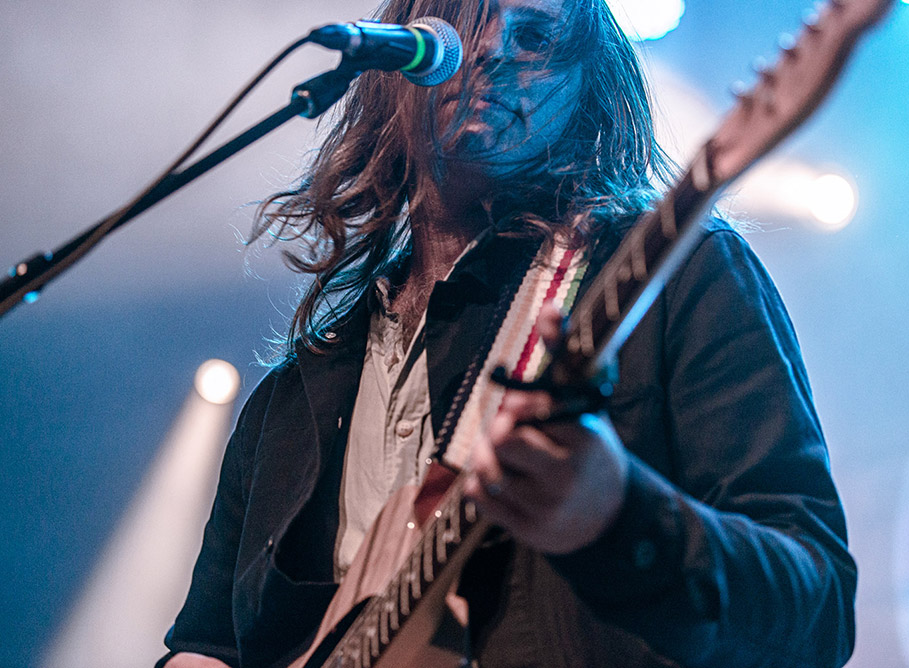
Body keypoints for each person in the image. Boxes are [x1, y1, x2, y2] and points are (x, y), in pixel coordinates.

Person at [158, 0, 857, 666]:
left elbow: (817, 612)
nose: (490, 47)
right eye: (464, 15)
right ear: (391, 74)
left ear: (589, 86)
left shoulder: (677, 280)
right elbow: (209, 646)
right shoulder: (291, 396)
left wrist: (620, 518)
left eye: (535, 37)